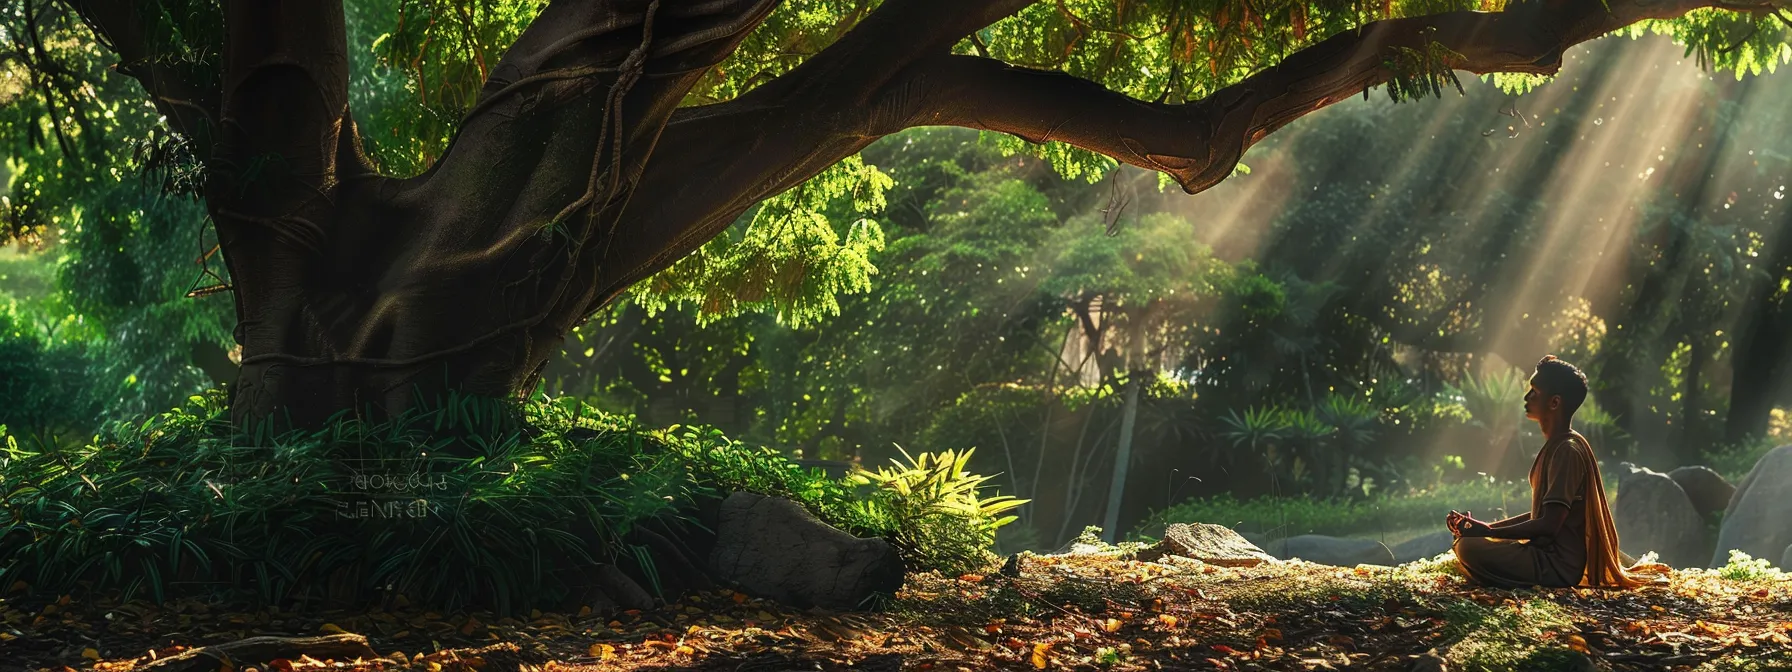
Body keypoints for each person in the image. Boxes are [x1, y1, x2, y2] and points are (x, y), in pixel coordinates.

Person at [1446, 355, 1651, 589]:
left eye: (1534, 392)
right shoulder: (1558, 445)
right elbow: (1540, 515)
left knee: (1469, 547)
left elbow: (1548, 525)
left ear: (1554, 403)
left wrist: (1488, 531)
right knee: (1471, 541)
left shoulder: (1567, 451)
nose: (1526, 397)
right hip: (1543, 554)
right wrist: (1486, 528)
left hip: (1556, 566)